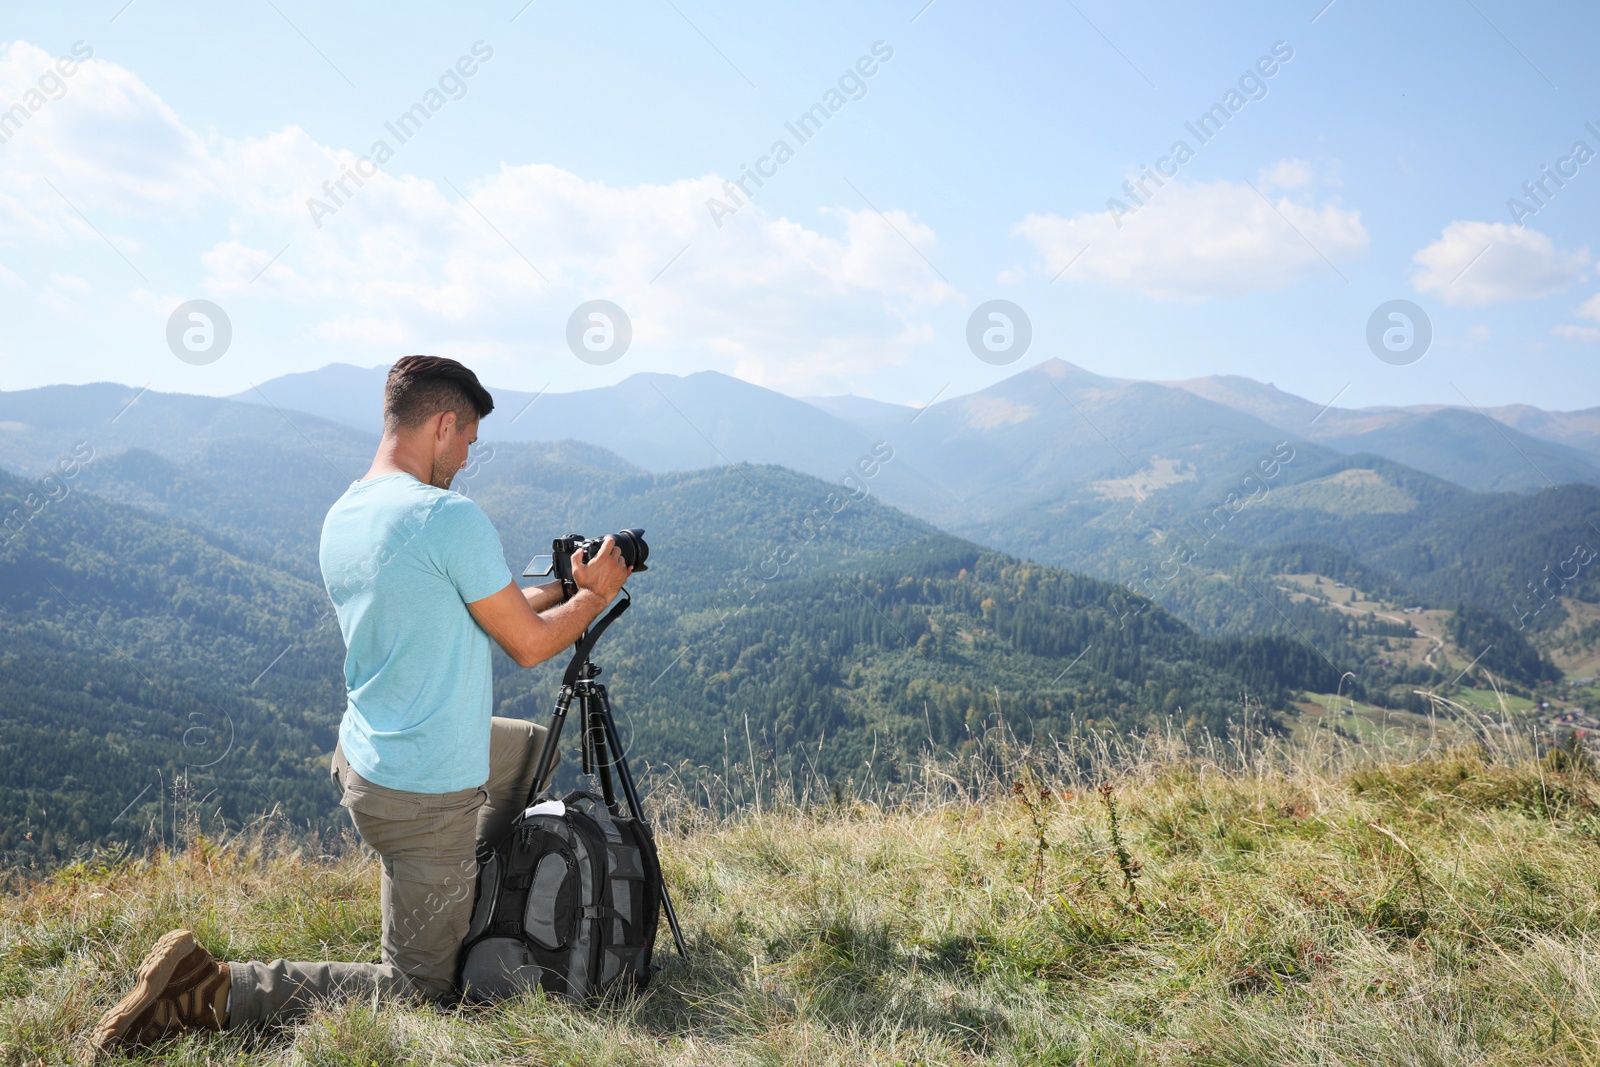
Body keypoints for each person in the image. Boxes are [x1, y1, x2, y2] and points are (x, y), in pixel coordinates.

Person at [91, 355, 632, 1052]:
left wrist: (565, 588)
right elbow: (528, 647)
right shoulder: (448, 517)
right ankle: (210, 987)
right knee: (417, 987)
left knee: (529, 744)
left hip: (370, 758)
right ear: (443, 424)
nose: (467, 459)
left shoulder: (347, 513)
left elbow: (480, 612)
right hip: (425, 790)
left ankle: (461, 889)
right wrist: (598, 595)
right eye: (467, 442)